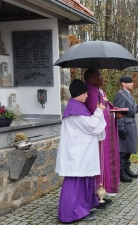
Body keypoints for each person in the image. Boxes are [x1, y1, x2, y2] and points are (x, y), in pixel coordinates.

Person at [56, 79, 106, 223]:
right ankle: (70, 214)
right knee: (74, 184)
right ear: (78, 93)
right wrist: (98, 111)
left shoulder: (77, 107)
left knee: (82, 181)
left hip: (81, 151)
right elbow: (91, 126)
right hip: (77, 154)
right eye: (85, 93)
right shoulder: (75, 110)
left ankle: (82, 208)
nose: (87, 95)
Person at [84, 69, 120, 196]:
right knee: (102, 160)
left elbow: (105, 108)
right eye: (99, 75)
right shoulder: (93, 93)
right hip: (100, 134)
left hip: (104, 131)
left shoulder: (98, 91)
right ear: (91, 79)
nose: (102, 78)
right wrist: (111, 114)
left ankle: (104, 191)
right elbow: (97, 114)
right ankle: (100, 191)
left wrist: (114, 113)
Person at [113, 76, 138, 182]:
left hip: (131, 123)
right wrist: (120, 128)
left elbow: (132, 110)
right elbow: (120, 113)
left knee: (129, 148)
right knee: (122, 149)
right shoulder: (120, 95)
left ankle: (127, 168)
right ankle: (121, 171)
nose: (132, 84)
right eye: (130, 82)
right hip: (125, 124)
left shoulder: (128, 95)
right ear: (123, 84)